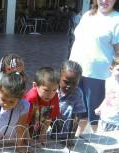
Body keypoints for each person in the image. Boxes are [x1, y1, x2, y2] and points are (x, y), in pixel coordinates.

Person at [69, 0, 119, 136]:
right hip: (76, 70)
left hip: (98, 74)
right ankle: (76, 136)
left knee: (94, 112)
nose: (104, 1)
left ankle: (97, 144)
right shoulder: (88, 15)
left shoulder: (116, 19)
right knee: (77, 109)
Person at [0, 72, 29, 149]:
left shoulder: (23, 106)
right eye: (3, 99)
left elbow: (20, 127)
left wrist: (20, 146)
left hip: (12, 140)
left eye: (11, 102)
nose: (6, 104)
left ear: (19, 98)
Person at [51, 60, 86, 141]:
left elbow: (77, 116)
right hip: (46, 131)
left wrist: (71, 137)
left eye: (74, 83)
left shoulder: (77, 93)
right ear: (59, 76)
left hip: (66, 134)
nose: (69, 86)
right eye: (66, 82)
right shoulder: (52, 90)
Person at [24, 67, 60, 144]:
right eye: (46, 90)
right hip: (22, 129)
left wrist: (42, 135)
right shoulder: (30, 98)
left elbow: (49, 118)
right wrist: (28, 140)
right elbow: (23, 122)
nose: (50, 94)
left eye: (54, 90)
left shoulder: (54, 97)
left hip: (36, 128)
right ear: (35, 85)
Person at [95, 56, 119, 131]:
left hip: (116, 121)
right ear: (111, 69)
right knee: (102, 138)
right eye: (118, 69)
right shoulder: (108, 81)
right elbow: (107, 97)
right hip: (105, 117)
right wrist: (100, 107)